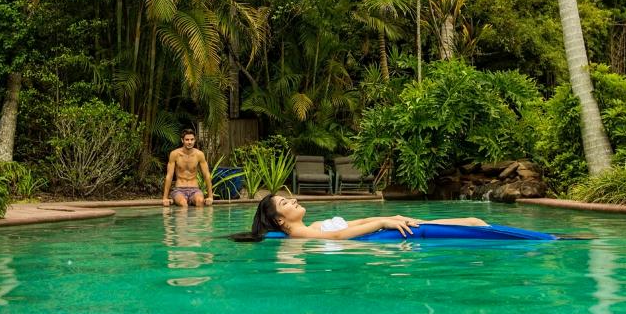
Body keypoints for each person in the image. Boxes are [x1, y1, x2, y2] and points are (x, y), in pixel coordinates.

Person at [231, 194, 488, 242]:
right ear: (279, 220)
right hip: (381, 239)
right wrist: (383, 223)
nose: (293, 200)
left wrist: (390, 216)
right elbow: (338, 236)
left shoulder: (314, 225)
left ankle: (477, 224)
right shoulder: (298, 234)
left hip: (381, 231)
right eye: (285, 203)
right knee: (473, 223)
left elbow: (356, 222)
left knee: (472, 220)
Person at [162, 129, 213, 207]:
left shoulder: (199, 155)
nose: (190, 142)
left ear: (195, 140)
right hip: (179, 189)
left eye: (192, 139)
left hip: (195, 189)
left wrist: (210, 197)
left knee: (200, 201)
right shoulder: (175, 154)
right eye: (187, 140)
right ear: (182, 140)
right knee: (183, 203)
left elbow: (206, 175)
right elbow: (169, 176)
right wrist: (165, 198)